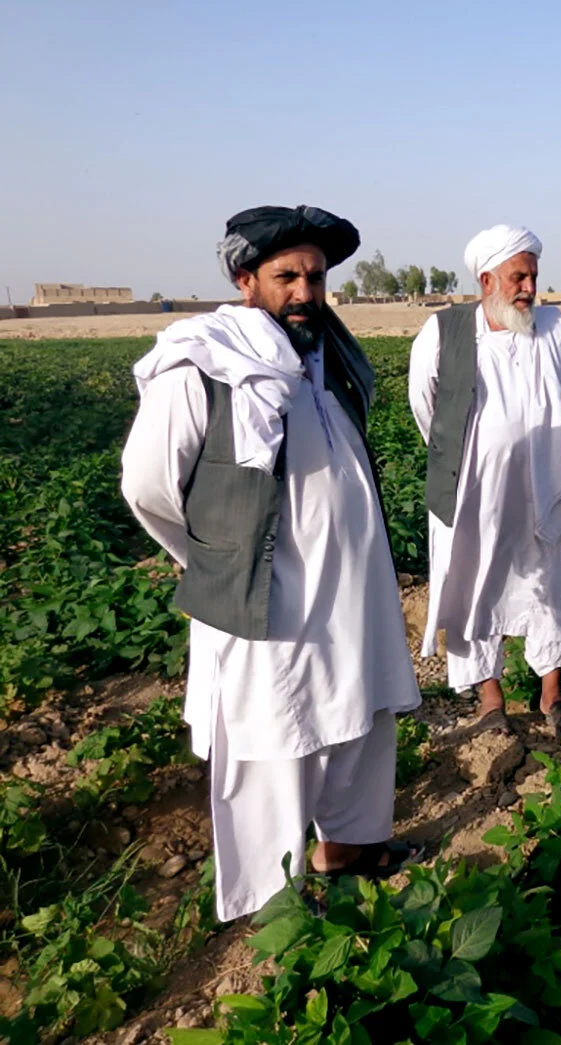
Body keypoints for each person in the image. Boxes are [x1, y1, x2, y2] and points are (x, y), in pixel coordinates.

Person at [121, 205, 424, 922]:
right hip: (271, 599)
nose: (305, 291)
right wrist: (214, 555)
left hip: (349, 592)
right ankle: (276, 906)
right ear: (245, 279)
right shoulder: (203, 362)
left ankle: (349, 850)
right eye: (287, 275)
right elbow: (148, 483)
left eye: (316, 276)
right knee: (274, 735)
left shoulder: (325, 357)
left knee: (358, 715)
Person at [408, 224, 561, 741]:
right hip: (474, 488)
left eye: (533, 276)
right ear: (486, 279)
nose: (529, 288)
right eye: (518, 277)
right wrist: (473, 455)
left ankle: (552, 692)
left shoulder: (558, 332)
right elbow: (426, 407)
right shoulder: (443, 333)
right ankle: (491, 699)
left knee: (550, 581)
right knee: (474, 582)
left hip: (541, 483)